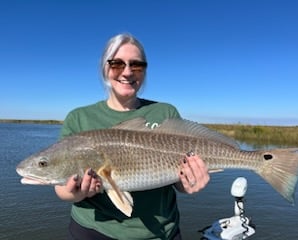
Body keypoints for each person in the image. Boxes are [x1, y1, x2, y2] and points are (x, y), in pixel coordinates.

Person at [55, 33, 210, 240]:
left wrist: (190, 182)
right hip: (93, 232)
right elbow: (61, 189)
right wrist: (77, 193)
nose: (127, 72)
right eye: (117, 64)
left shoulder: (164, 112)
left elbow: (178, 182)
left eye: (136, 65)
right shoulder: (79, 118)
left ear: (144, 71)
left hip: (161, 233)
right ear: (105, 68)